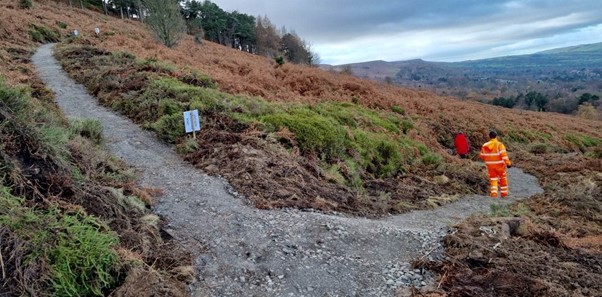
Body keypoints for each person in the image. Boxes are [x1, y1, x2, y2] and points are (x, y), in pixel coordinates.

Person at [479, 131, 512, 198]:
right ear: (496, 136)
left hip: (490, 166)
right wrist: (508, 163)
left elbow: (481, 156)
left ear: (489, 136)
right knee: (503, 178)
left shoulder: (485, 145)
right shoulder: (499, 145)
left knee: (493, 179)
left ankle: (494, 193)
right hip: (499, 165)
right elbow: (504, 155)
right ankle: (504, 194)